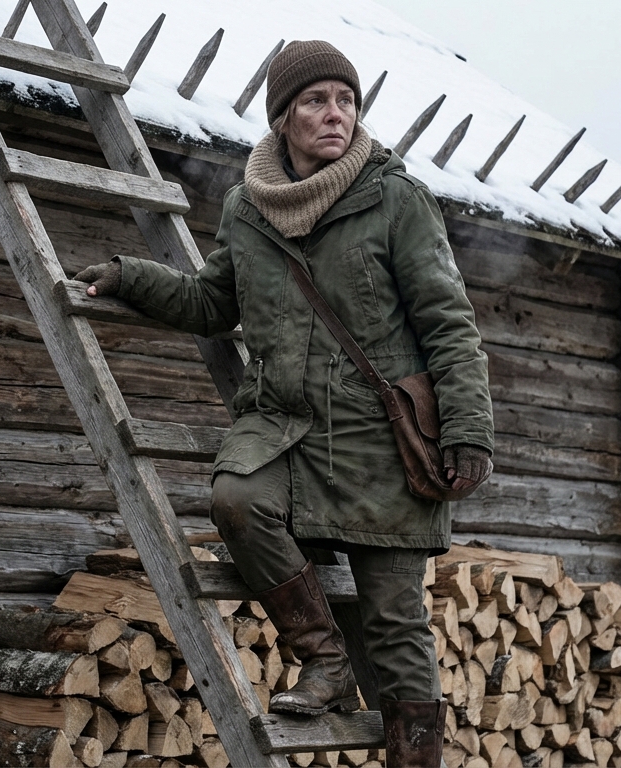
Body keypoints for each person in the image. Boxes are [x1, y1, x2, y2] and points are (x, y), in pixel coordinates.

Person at [74, 40, 493, 767]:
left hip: (380, 440)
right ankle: (324, 660)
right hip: (285, 428)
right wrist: (131, 277)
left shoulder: (396, 198)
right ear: (283, 117)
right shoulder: (248, 208)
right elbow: (212, 302)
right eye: (315, 101)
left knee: (396, 629)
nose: (336, 114)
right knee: (236, 501)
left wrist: (468, 428)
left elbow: (448, 323)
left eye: (346, 100)